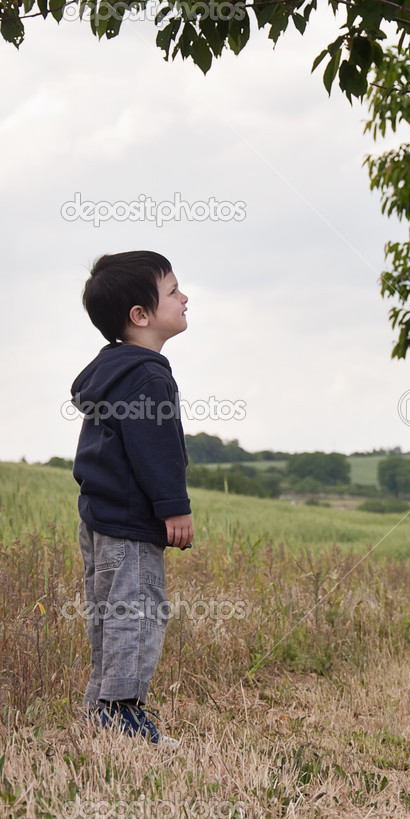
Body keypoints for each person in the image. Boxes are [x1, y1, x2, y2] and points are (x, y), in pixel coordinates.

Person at [70, 250, 193, 747]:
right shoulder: (147, 375)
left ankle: (101, 706)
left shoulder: (113, 372)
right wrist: (174, 506)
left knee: (109, 612)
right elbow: (155, 448)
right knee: (137, 610)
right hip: (130, 522)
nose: (185, 298)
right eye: (172, 291)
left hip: (99, 519)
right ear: (139, 316)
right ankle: (122, 713)